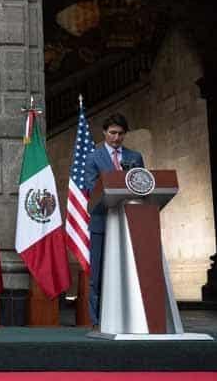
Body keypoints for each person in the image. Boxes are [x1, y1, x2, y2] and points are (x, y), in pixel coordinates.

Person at [82, 112, 145, 325]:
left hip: (128, 221)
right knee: (98, 272)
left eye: (120, 134)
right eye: (112, 133)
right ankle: (97, 319)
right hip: (102, 220)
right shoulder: (93, 158)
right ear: (104, 133)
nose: (116, 138)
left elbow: (142, 185)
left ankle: (130, 314)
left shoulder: (135, 157)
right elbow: (91, 188)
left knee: (129, 270)